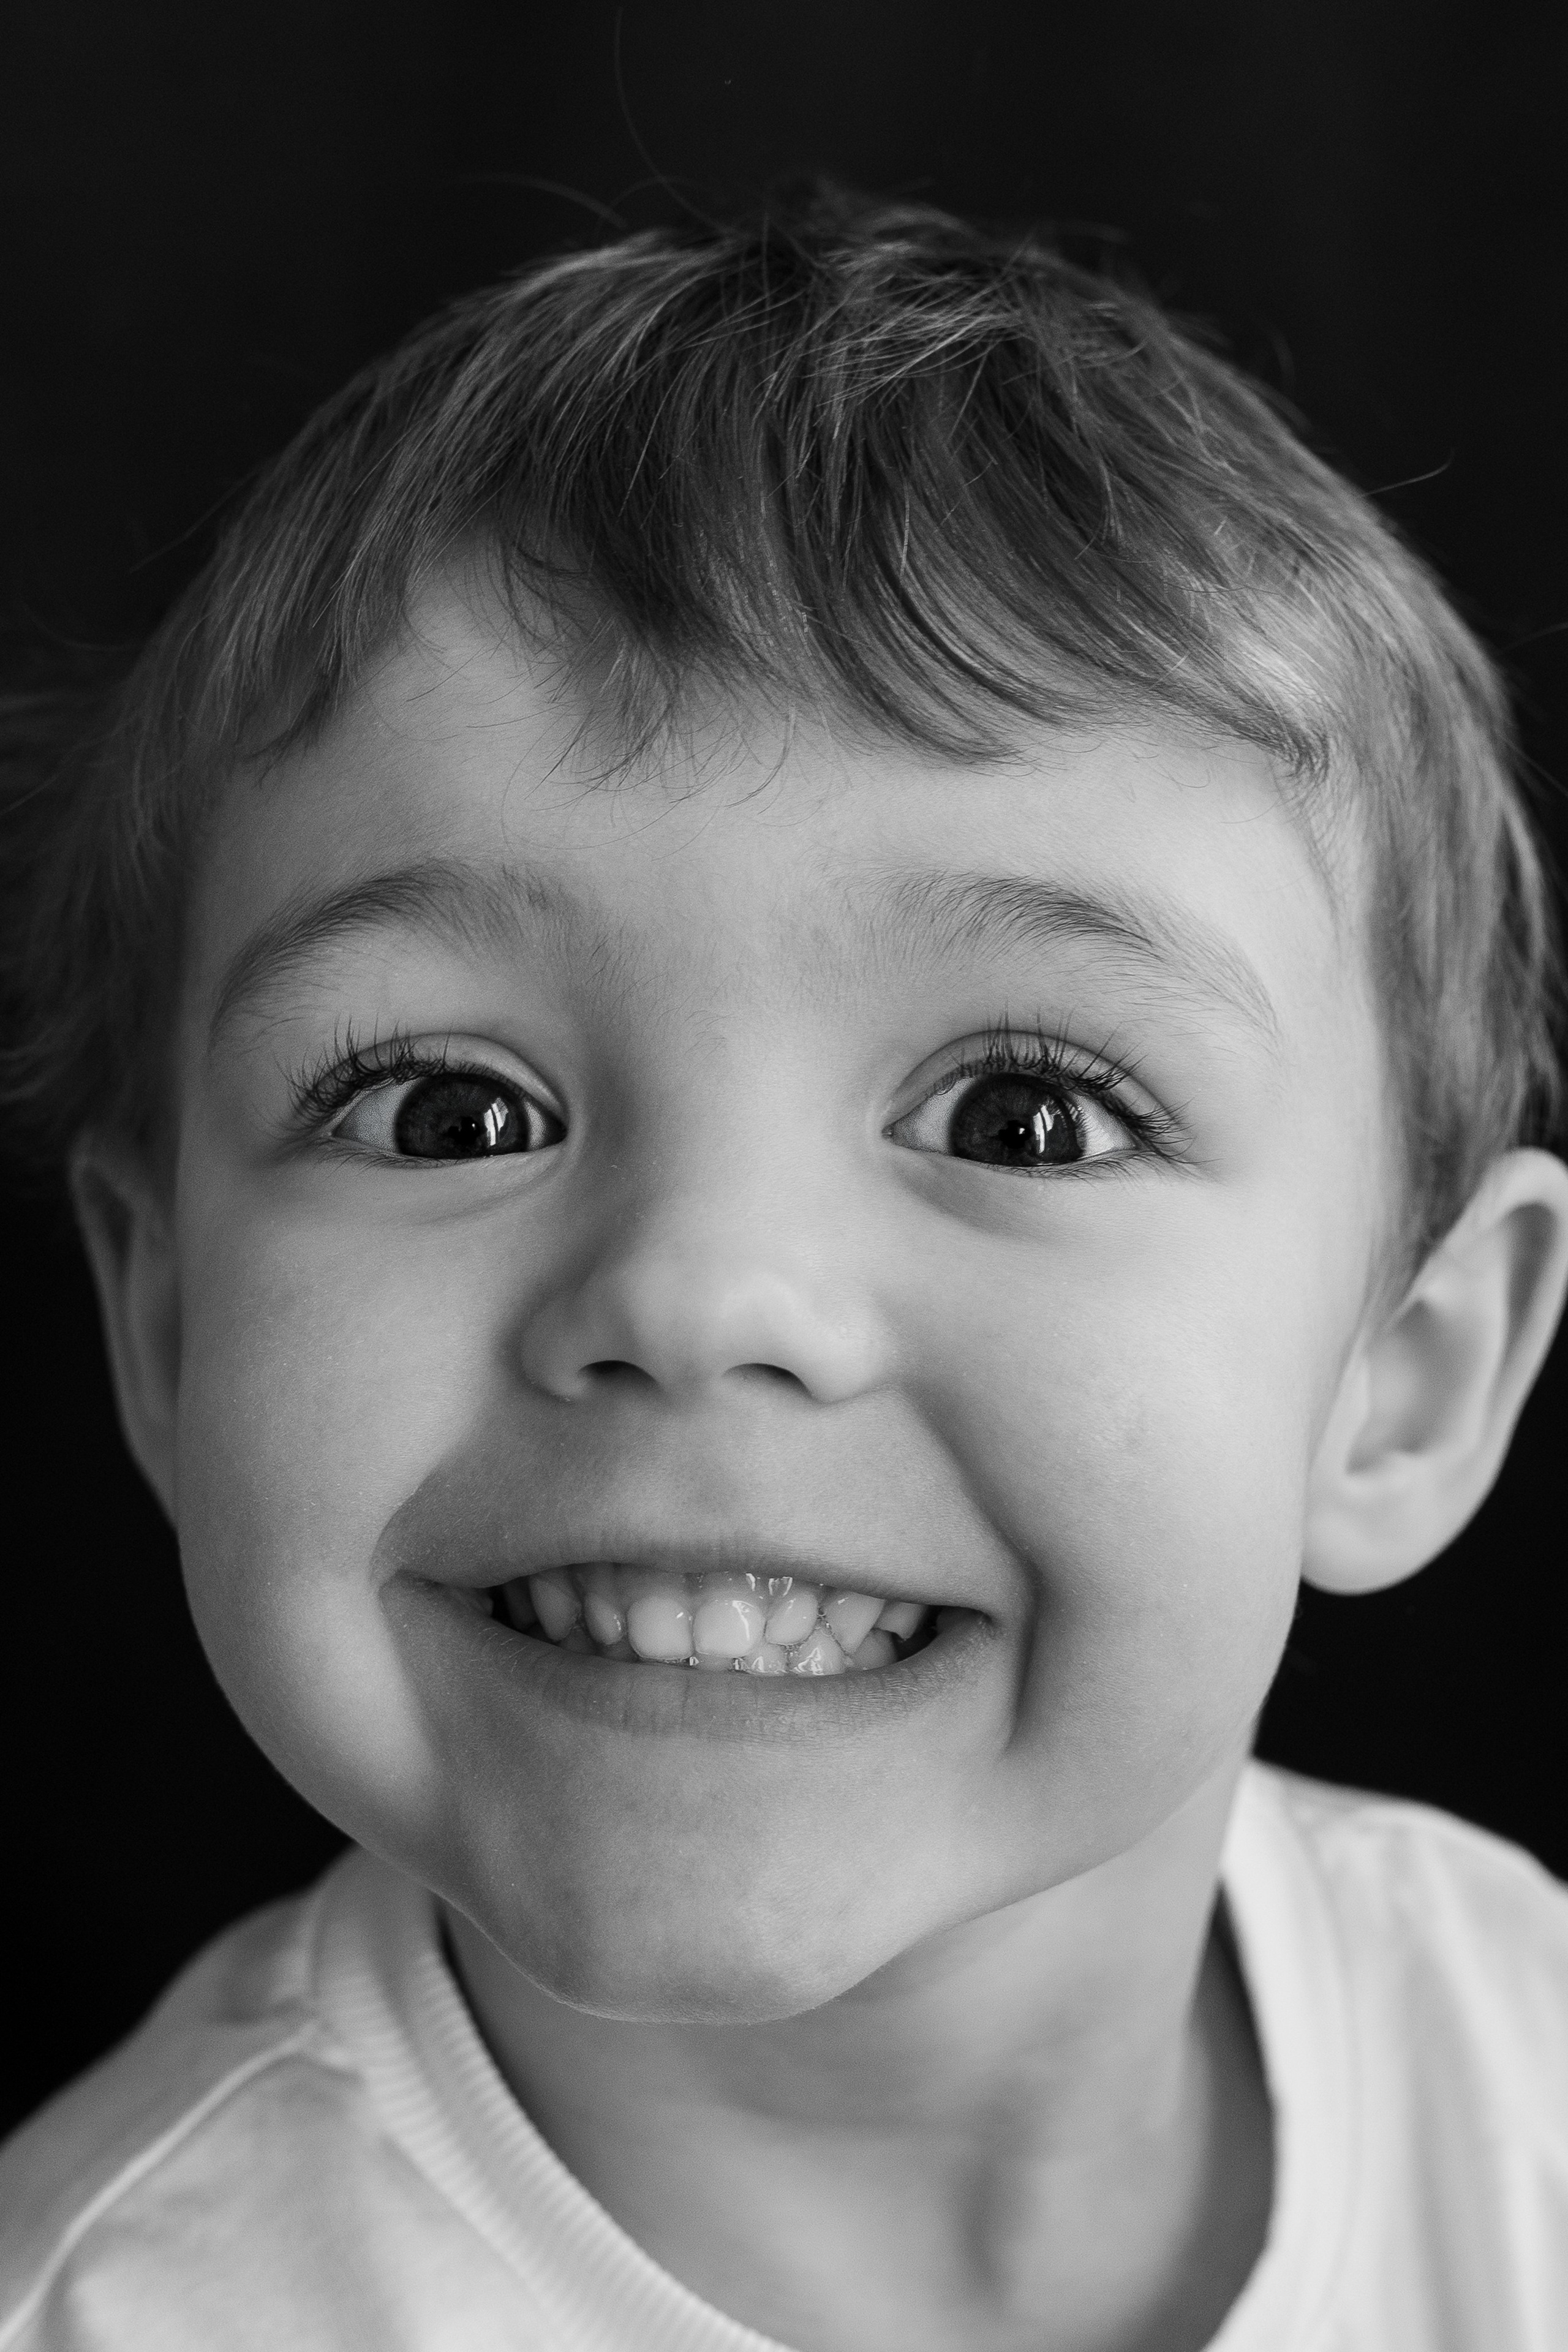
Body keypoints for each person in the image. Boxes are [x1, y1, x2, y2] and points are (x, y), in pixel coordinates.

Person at [2, 183, 1566, 2352]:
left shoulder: (1526, 2078)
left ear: (1404, 1377)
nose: (699, 1291)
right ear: (163, 1324)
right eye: (453, 1111)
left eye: (1033, 1116)